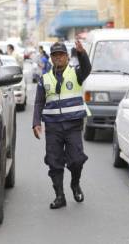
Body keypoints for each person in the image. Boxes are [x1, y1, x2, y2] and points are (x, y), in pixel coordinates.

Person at [32, 40, 92, 209]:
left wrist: (82, 53)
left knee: (77, 160)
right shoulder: (45, 79)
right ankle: (60, 196)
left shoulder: (76, 73)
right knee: (54, 162)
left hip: (73, 125)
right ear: (51, 58)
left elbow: (87, 68)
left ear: (67, 57)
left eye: (61, 55)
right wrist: (36, 122)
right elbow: (38, 103)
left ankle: (75, 184)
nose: (58, 58)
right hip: (53, 127)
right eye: (55, 55)